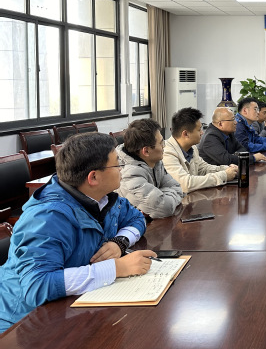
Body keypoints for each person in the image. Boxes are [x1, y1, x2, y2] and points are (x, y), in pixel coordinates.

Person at [0, 133, 155, 333]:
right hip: (23, 324)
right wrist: (116, 268)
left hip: (72, 307)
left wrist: (120, 242)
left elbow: (136, 219)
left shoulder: (104, 198)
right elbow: (37, 286)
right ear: (93, 177)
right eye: (117, 164)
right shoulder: (47, 217)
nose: (121, 169)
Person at [116, 118, 184, 219]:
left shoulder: (155, 162)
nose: (164, 147)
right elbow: (165, 208)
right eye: (161, 143)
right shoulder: (129, 175)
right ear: (146, 151)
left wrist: (164, 195)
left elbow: (178, 188)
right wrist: (165, 195)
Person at [164, 107, 238, 194]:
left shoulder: (192, 148)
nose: (202, 133)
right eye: (199, 130)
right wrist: (224, 175)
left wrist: (228, 169)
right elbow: (185, 184)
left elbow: (204, 168)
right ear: (185, 134)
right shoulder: (167, 153)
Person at [199, 107, 266, 165]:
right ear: (220, 124)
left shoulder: (229, 133)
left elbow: (242, 149)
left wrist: (234, 156)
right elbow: (226, 160)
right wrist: (253, 158)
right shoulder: (210, 137)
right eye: (232, 119)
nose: (236, 122)